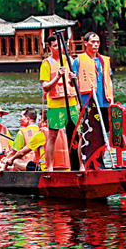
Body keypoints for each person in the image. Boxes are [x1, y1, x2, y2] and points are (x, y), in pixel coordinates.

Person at [40, 34, 79, 171]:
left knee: (77, 133)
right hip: (55, 103)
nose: (58, 48)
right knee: (53, 136)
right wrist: (58, 76)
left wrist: (73, 79)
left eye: (60, 45)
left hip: (71, 102)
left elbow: (74, 84)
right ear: (49, 47)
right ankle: (49, 166)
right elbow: (46, 87)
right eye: (55, 46)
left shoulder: (69, 60)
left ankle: (79, 166)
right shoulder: (46, 63)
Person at [71, 32, 114, 121]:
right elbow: (72, 84)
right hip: (86, 102)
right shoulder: (78, 61)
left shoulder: (104, 61)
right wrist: (78, 103)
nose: (95, 44)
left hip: (103, 102)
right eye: (93, 42)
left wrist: (112, 100)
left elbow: (109, 80)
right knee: (89, 130)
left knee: (105, 129)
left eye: (97, 42)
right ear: (86, 43)